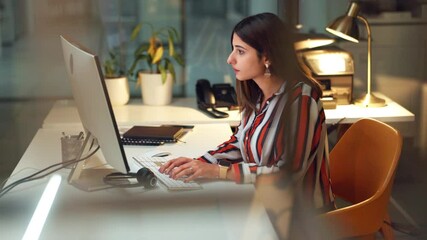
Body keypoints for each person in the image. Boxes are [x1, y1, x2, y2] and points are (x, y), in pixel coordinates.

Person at [159, 12, 334, 211]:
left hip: (300, 218)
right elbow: (240, 141)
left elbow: (287, 174)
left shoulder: (301, 100)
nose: (229, 59)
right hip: (264, 203)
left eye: (240, 51)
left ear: (267, 56)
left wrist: (219, 172)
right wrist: (199, 163)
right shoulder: (258, 95)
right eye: (233, 50)